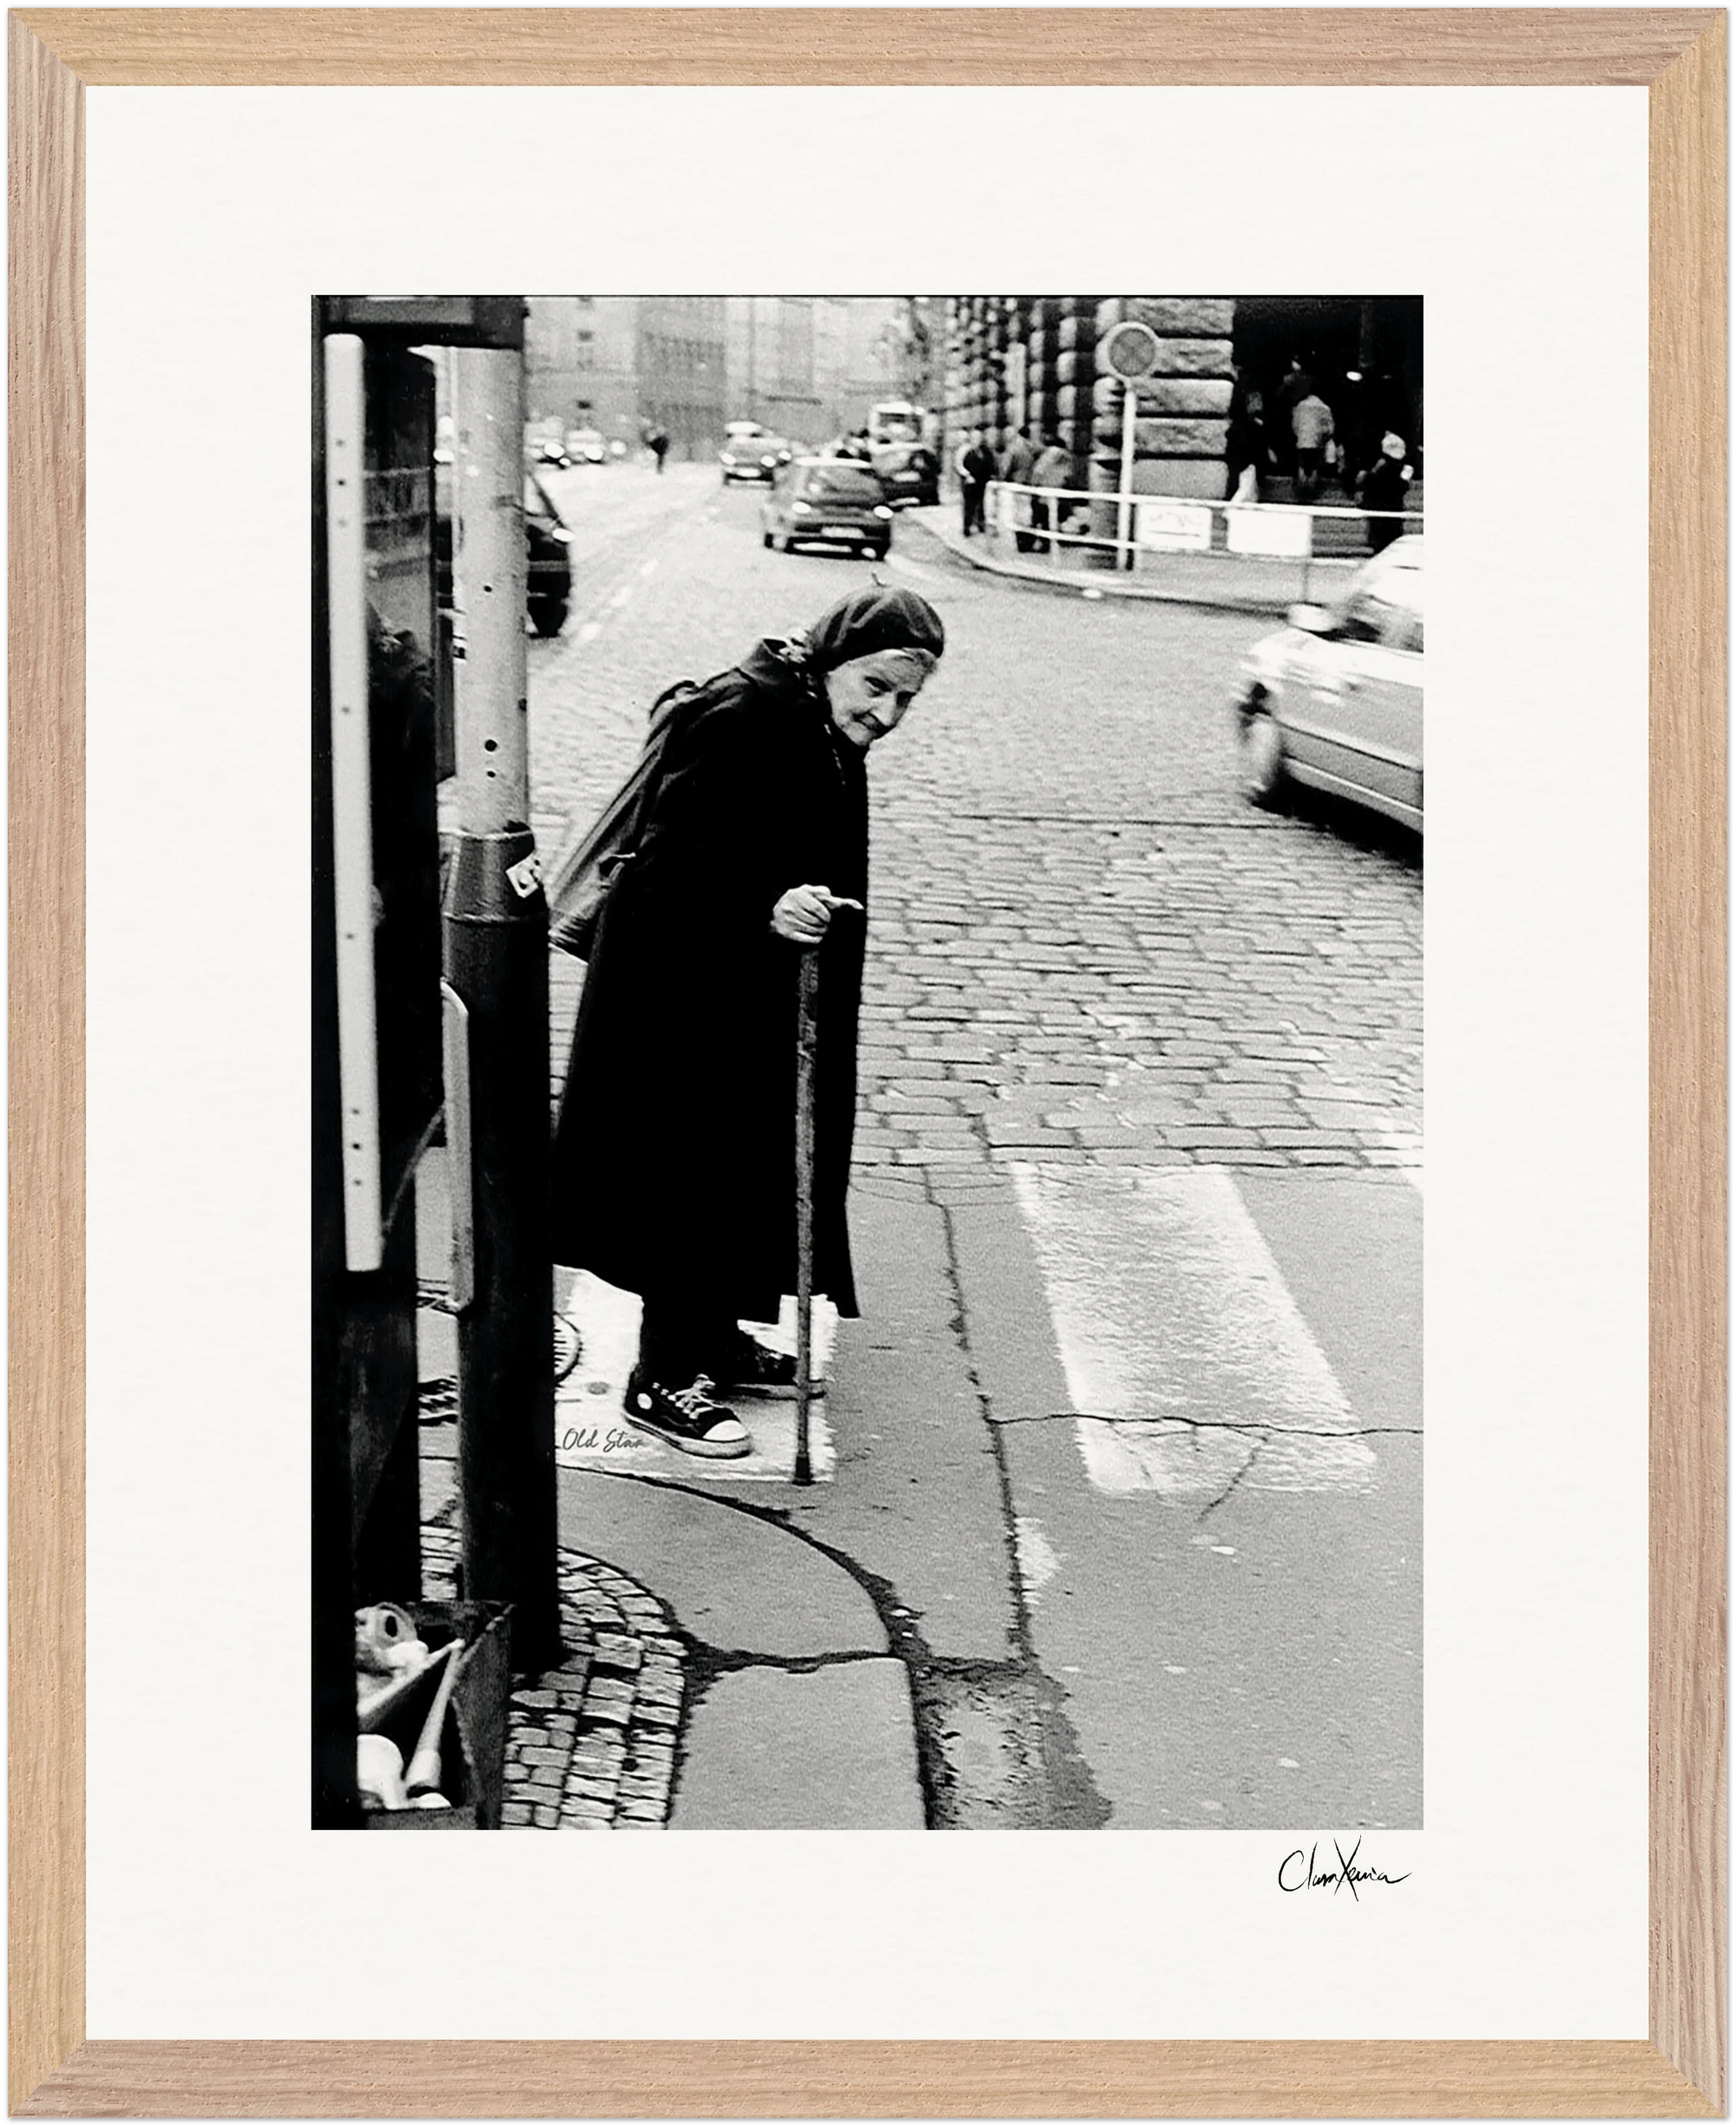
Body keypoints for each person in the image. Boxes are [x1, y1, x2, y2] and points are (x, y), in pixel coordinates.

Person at [550, 585, 947, 1459]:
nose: (884, 713)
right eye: (875, 686)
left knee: (748, 1164)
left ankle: (715, 1335)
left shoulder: (813, 717)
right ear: (832, 659)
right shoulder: (741, 715)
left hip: (756, 990)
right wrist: (764, 910)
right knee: (694, 1170)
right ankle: (661, 1376)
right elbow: (663, 872)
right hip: (685, 999)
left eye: (903, 700)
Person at [1357, 431, 1415, 552]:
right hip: (1391, 511)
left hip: (1379, 511)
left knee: (1379, 544)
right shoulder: (1400, 469)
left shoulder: (1378, 469)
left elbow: (1367, 484)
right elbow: (1400, 488)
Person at [1029, 432, 1074, 553]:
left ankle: (1044, 543)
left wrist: (1034, 486)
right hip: (1058, 491)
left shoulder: (1049, 455)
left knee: (1043, 518)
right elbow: (1068, 475)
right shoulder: (1065, 456)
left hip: (1045, 491)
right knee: (1051, 518)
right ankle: (1049, 541)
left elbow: (1038, 472)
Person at [1291, 386, 1335, 500]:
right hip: (1316, 444)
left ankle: (1301, 493)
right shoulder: (1325, 408)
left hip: (1302, 442)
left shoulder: (1300, 406)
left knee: (1302, 466)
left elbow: (1295, 425)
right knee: (1314, 468)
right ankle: (1311, 493)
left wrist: (1300, 435)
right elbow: (1330, 429)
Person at [999, 426, 1037, 550]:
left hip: (1017, 483)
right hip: (1030, 484)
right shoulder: (1032, 447)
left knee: (1018, 515)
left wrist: (1003, 479)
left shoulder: (1013, 447)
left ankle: (1021, 543)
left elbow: (1006, 467)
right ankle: (1028, 541)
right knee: (1027, 515)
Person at [956, 430, 996, 537]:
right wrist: (967, 476)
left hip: (981, 483)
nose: (976, 441)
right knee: (969, 506)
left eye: (978, 438)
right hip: (970, 483)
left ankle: (980, 524)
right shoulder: (968, 452)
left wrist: (990, 476)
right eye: (974, 438)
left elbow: (990, 465)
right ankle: (967, 527)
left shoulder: (985, 452)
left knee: (981, 504)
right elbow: (960, 465)